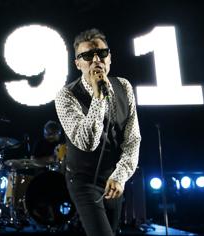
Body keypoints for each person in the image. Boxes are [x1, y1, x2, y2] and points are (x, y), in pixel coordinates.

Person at [55, 28, 141, 236]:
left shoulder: (124, 86)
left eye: (102, 53)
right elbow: (87, 142)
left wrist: (120, 176)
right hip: (83, 179)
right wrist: (98, 95)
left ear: (109, 57)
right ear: (78, 63)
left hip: (113, 178)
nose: (96, 60)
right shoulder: (66, 96)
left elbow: (132, 139)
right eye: (87, 56)